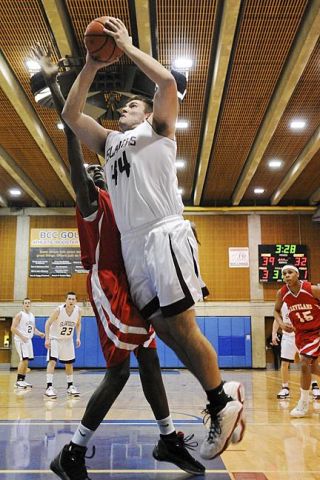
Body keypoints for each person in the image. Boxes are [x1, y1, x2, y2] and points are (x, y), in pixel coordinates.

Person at [61, 16, 244, 459]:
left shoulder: (158, 129)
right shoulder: (109, 143)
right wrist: (89, 65)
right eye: (122, 106)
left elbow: (164, 82)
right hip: (133, 246)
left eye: (131, 105)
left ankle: (222, 402)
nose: (122, 107)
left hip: (163, 232)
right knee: (164, 330)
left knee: (183, 326)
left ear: (146, 111)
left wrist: (124, 46)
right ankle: (224, 392)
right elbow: (69, 116)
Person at [33, 44, 205, 478]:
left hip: (134, 275)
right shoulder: (91, 202)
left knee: (149, 361)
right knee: (120, 371)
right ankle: (71, 452)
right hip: (107, 282)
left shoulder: (121, 194)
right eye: (94, 170)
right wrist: (57, 87)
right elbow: (75, 151)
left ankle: (168, 439)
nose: (97, 170)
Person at [274, 264, 320, 418]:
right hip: (300, 333)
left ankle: (303, 403)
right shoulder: (282, 293)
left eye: (290, 272)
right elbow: (276, 310)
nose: (287, 275)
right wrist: (281, 324)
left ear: (297, 274)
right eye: (284, 273)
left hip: (316, 331)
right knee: (312, 368)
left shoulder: (311, 289)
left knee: (305, 363)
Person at [272, 302, 320, 400]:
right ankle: (285, 388)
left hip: (302, 336)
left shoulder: (301, 301)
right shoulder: (283, 303)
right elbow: (277, 319)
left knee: (309, 362)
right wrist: (274, 333)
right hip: (287, 336)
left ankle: (314, 385)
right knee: (284, 363)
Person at [44, 292, 82, 399]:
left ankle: (70, 386)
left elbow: (78, 324)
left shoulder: (78, 311)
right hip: (55, 339)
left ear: (76, 301)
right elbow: (48, 323)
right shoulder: (58, 310)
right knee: (52, 361)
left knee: (69, 363)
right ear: (65, 300)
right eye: (69, 299)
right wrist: (47, 339)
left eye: (73, 299)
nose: (71, 301)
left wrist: (78, 337)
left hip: (68, 340)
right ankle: (49, 387)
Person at [11, 297, 45, 388]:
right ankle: (18, 381)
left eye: (29, 303)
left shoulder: (32, 316)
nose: (27, 304)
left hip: (28, 340)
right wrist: (22, 336)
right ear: (23, 305)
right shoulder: (19, 315)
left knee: (27, 361)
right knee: (23, 360)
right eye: (25, 303)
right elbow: (13, 328)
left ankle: (23, 380)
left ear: (31, 304)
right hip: (21, 340)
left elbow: (33, 329)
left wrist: (40, 333)